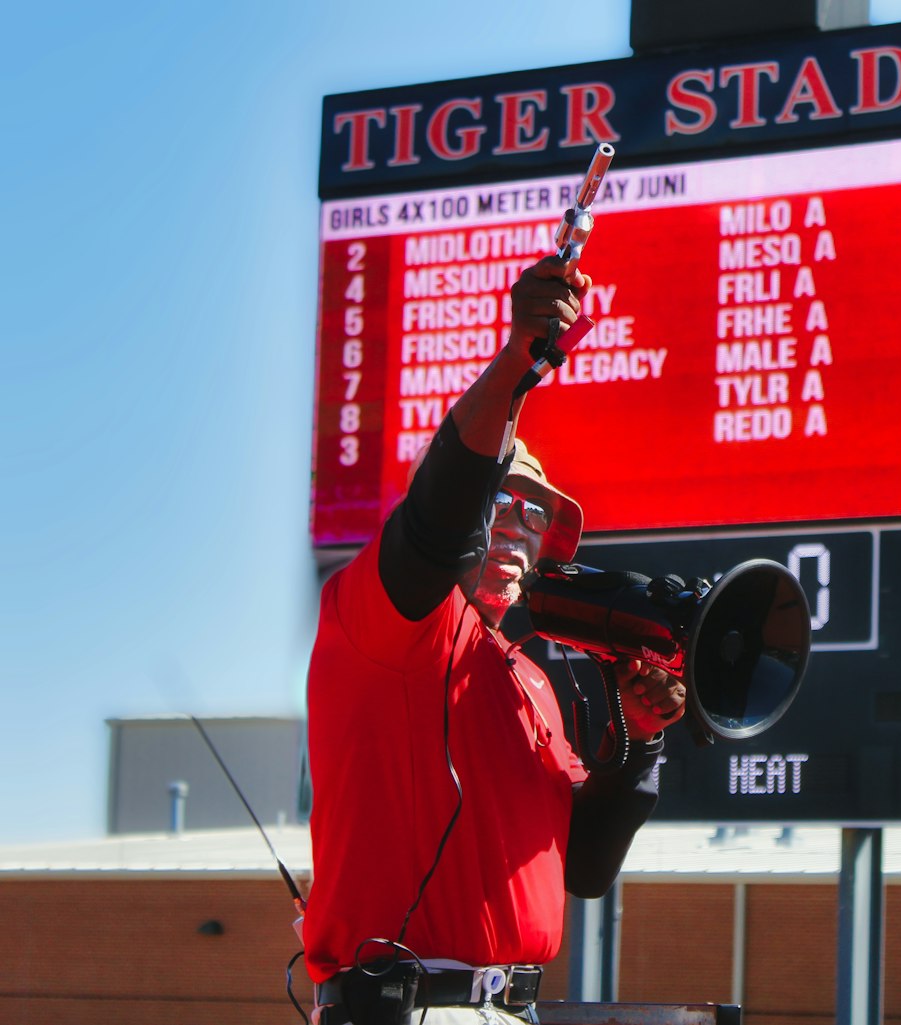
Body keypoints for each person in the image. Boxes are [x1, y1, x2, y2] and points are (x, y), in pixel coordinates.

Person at [305, 255, 687, 1025]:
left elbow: (581, 866)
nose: (521, 524)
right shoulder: (388, 613)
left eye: (538, 514)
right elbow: (435, 524)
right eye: (503, 501)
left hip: (509, 1010)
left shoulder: (529, 680)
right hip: (411, 1008)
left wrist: (639, 742)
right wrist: (520, 357)